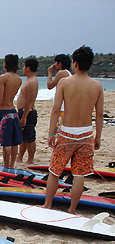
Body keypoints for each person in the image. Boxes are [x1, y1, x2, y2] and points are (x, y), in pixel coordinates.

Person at [43, 46, 103, 214]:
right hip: (86, 134)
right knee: (79, 174)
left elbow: (56, 110)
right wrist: (98, 136)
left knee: (55, 171)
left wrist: (51, 133)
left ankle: (48, 205)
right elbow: (99, 115)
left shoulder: (65, 82)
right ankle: (72, 209)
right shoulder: (97, 85)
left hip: (67, 133)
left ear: (75, 63)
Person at [0, 54, 22, 168]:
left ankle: (6, 165)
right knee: (14, 141)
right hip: (13, 111)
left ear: (6, 64)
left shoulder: (2, 78)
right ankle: (12, 165)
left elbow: (0, 97)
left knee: (6, 142)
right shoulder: (19, 79)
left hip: (3, 112)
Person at [16, 57, 39, 165]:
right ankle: (20, 157)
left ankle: (30, 159)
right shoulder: (29, 80)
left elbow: (30, 100)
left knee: (30, 137)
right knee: (24, 137)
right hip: (24, 111)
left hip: (28, 112)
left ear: (28, 68)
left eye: (24, 66)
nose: (23, 69)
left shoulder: (32, 81)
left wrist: (24, 116)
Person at [47, 54, 72, 131]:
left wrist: (50, 73)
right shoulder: (68, 73)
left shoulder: (62, 73)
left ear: (60, 63)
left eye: (55, 63)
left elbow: (50, 85)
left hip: (62, 108)